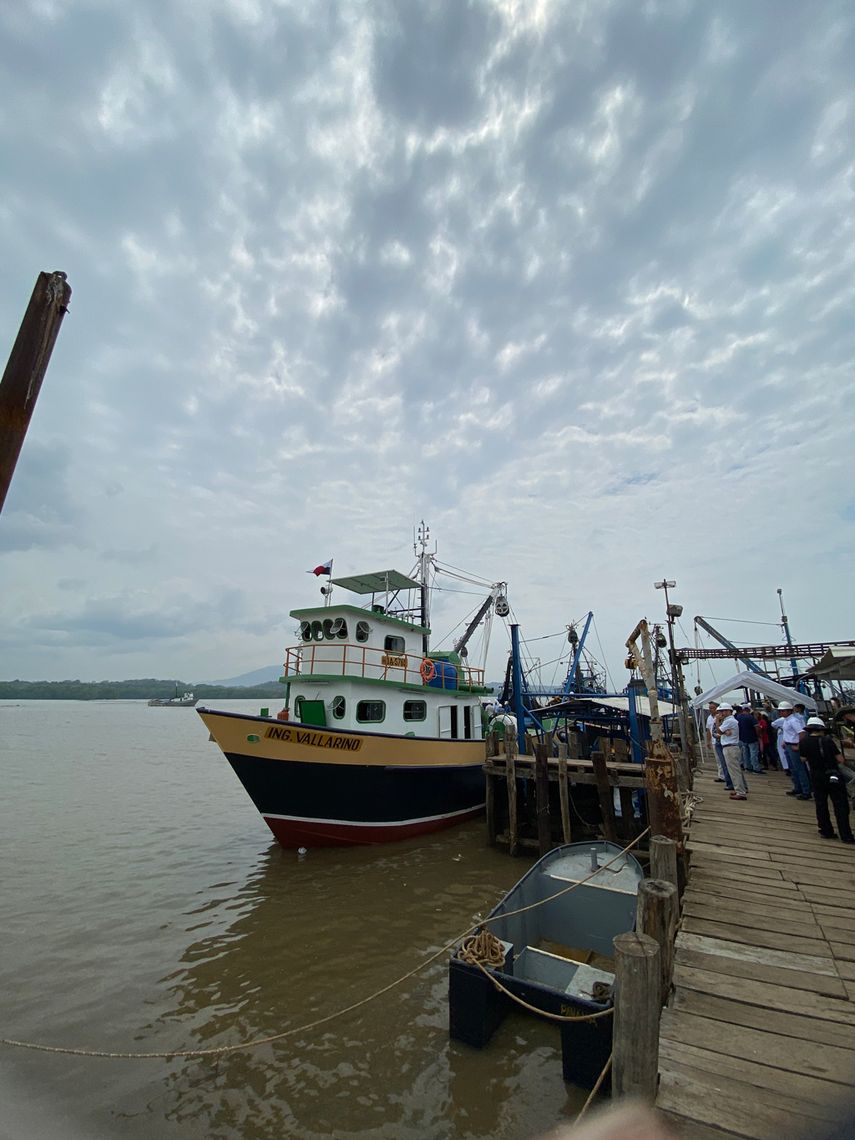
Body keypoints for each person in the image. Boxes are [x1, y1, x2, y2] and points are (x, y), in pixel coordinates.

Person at [799, 717, 854, 843]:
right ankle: (846, 835)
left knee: (821, 803)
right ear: (821, 729)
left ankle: (825, 830)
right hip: (832, 774)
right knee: (840, 805)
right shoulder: (827, 741)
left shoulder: (804, 741)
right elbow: (840, 759)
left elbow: (803, 759)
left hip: (816, 774)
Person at [776, 699, 811, 799]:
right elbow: (789, 733)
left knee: (799, 769)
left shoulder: (793, 721)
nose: (781, 712)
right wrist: (784, 741)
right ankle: (798, 787)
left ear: (789, 711)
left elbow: (802, 733)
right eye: (780, 711)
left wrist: (799, 746)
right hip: (788, 745)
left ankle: (806, 791)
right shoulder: (787, 720)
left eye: (783, 711)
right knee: (793, 768)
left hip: (794, 746)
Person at [715, 703, 748, 799]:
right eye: (721, 711)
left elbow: (719, 731)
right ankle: (742, 788)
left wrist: (717, 720)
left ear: (729, 711)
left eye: (724, 711)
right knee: (736, 770)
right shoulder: (729, 721)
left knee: (734, 771)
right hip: (731, 747)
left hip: (730, 747)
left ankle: (740, 792)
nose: (722, 713)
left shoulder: (729, 721)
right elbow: (724, 732)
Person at [706, 701, 733, 789]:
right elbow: (709, 730)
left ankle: (728, 779)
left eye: (712, 708)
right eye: (710, 708)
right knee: (719, 760)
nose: (711, 710)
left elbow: (720, 730)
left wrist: (718, 720)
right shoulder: (709, 718)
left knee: (725, 761)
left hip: (722, 741)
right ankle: (721, 776)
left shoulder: (722, 718)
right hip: (715, 741)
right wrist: (708, 741)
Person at [736, 703, 763, 773]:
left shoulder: (738, 717)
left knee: (745, 754)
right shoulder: (751, 717)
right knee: (753, 754)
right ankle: (756, 768)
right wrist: (759, 735)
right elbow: (757, 727)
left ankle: (747, 767)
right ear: (748, 709)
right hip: (752, 738)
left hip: (742, 738)